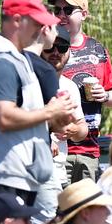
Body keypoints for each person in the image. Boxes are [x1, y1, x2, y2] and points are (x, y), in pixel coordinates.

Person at [0, 0, 74, 224]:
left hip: (23, 174)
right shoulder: (2, 63)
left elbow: (31, 116)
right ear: (17, 21)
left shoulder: (20, 60)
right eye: (37, 23)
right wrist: (50, 112)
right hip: (7, 177)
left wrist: (57, 114)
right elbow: (4, 117)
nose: (42, 30)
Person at [50, 0, 112, 182]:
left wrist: (104, 96)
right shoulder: (49, 48)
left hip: (88, 148)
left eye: (68, 10)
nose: (61, 15)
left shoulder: (96, 49)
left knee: (84, 208)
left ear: (84, 14)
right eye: (57, 10)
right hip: (56, 148)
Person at [39, 25, 88, 190]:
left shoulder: (70, 87)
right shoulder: (30, 81)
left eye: (62, 47)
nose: (55, 52)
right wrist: (46, 135)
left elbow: (82, 130)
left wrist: (71, 129)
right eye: (50, 47)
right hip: (33, 172)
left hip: (59, 175)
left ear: (69, 52)